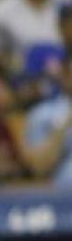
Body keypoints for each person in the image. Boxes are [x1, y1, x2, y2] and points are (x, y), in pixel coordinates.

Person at [22, 57, 72, 187]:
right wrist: (65, 124)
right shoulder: (42, 114)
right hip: (63, 197)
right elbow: (39, 169)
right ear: (65, 76)